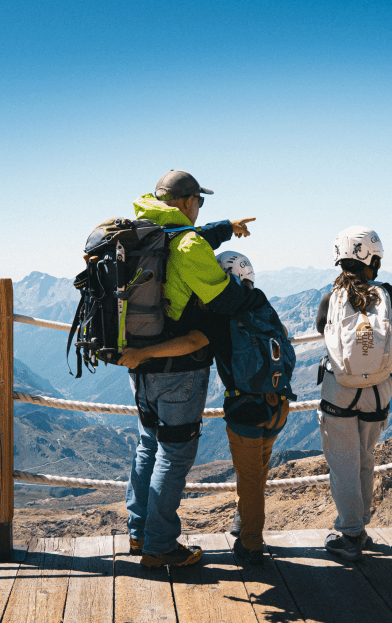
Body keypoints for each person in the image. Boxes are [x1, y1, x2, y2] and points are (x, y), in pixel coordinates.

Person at [119, 170, 258, 568]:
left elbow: (182, 243)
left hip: (140, 363)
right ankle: (161, 547)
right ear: (187, 201)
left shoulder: (144, 230)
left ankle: (139, 532)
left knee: (148, 446)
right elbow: (227, 298)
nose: (200, 208)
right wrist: (247, 289)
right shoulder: (189, 244)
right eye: (200, 201)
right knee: (175, 455)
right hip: (179, 368)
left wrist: (224, 229)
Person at [120, 251, 293, 567]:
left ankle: (250, 546)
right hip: (279, 404)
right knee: (257, 477)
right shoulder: (262, 304)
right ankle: (242, 531)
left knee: (247, 479)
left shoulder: (220, 314)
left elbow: (189, 343)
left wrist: (143, 355)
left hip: (244, 409)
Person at [315, 226, 392, 561]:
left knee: (343, 466)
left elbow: (320, 327)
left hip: (339, 392)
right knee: (365, 461)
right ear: (374, 259)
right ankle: (360, 528)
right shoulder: (387, 294)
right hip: (377, 392)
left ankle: (351, 534)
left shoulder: (331, 298)